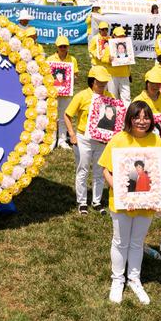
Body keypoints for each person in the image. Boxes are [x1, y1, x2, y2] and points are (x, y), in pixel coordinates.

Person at [100, 100, 161, 305]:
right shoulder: (118, 139)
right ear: (129, 118)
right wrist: (119, 190)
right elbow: (106, 169)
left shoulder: (155, 141)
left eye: (146, 117)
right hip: (122, 202)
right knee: (120, 241)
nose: (142, 121)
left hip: (146, 203)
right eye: (137, 117)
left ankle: (134, 278)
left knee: (137, 242)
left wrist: (156, 191)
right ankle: (117, 279)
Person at [65, 65, 113, 214]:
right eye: (99, 82)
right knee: (83, 170)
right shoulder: (81, 96)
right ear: (92, 81)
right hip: (83, 139)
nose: (102, 85)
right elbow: (67, 115)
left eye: (104, 83)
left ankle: (97, 201)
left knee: (100, 171)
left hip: (102, 141)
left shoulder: (110, 97)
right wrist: (72, 135)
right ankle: (82, 202)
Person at [47, 36, 74, 150]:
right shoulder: (49, 59)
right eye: (61, 46)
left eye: (65, 46)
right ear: (57, 47)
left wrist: (72, 77)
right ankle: (51, 140)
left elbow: (75, 74)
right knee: (52, 117)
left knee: (64, 116)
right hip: (53, 93)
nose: (63, 48)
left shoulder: (72, 60)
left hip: (66, 93)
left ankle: (62, 140)